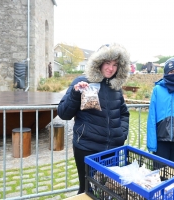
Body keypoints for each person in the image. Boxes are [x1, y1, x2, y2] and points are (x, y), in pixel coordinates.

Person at [57, 43, 130, 194]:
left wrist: (121, 134)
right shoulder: (82, 81)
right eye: (108, 63)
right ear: (99, 62)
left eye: (115, 64)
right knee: (86, 190)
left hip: (112, 150)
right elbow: (64, 113)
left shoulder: (116, 87)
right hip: (87, 148)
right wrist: (75, 94)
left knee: (108, 189)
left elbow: (124, 113)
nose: (111, 68)